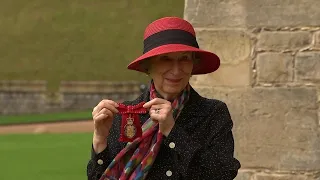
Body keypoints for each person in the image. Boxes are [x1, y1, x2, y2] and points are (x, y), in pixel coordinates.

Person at [86, 17, 241, 180]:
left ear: (193, 64)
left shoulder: (213, 113)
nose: (176, 70)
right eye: (165, 59)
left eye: (184, 58)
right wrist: (99, 141)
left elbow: (223, 174)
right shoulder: (125, 116)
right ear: (148, 66)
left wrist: (172, 132)